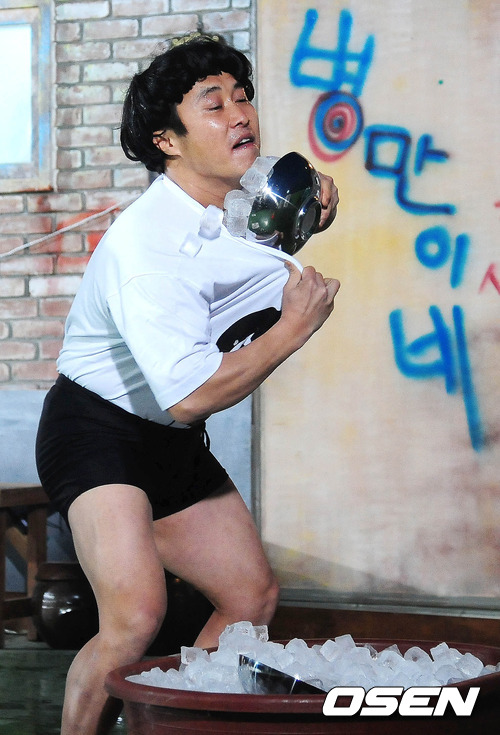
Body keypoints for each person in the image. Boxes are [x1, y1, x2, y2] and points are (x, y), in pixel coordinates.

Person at [36, 33, 340, 735]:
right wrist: (291, 330)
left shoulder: (240, 198)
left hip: (169, 440)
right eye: (213, 104)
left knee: (250, 598)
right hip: (97, 431)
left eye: (242, 96)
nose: (240, 114)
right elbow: (192, 396)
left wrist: (317, 205)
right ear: (166, 140)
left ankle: (170, 726)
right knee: (134, 617)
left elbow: (266, 247)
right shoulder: (148, 250)